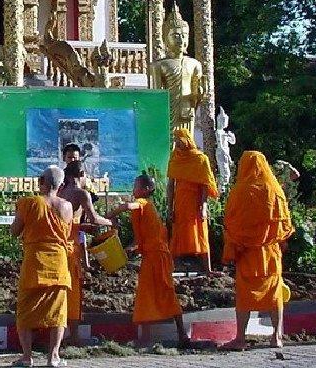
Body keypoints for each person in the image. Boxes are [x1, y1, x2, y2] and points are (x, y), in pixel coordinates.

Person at [221, 151, 294, 351]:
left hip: (247, 253)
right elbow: (285, 222)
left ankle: (240, 338)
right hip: (270, 252)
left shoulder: (240, 191)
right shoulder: (274, 189)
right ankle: (277, 336)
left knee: (244, 296)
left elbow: (230, 221)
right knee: (274, 293)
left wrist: (235, 244)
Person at [106, 174, 189, 349]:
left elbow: (130, 205)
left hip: (156, 257)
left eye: (136, 186)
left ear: (146, 190)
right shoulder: (147, 211)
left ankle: (146, 338)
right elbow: (141, 240)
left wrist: (111, 213)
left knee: (147, 295)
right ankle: (181, 334)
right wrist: (127, 250)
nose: (133, 189)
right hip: (157, 255)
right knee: (164, 294)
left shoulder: (144, 203)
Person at [10, 165, 74, 368]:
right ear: (61, 185)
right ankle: (53, 357)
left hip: (35, 262)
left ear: (40, 182)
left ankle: (27, 357)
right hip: (58, 262)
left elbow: (14, 231)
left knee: (26, 310)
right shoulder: (67, 206)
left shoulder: (29, 203)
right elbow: (67, 233)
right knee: (57, 313)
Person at [58, 160, 112, 344]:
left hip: (58, 247)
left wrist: (86, 228)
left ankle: (58, 336)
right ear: (81, 174)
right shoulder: (81, 193)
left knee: (60, 291)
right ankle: (73, 337)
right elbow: (94, 218)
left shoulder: (60, 193)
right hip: (71, 249)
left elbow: (72, 222)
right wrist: (111, 222)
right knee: (73, 294)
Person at [166, 127, 219, 273]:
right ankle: (171, 268)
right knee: (178, 234)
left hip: (195, 203)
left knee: (201, 234)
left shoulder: (200, 159)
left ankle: (207, 269)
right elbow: (171, 185)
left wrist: (203, 206)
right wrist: (170, 208)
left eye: (180, 140)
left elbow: (204, 184)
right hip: (181, 203)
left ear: (187, 140)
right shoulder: (175, 158)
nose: (178, 144)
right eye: (176, 141)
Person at [148, 7, 203, 140]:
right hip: (168, 108)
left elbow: (197, 93)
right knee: (169, 141)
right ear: (165, 39)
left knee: (186, 140)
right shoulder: (159, 65)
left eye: (184, 36)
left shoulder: (194, 64)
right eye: (175, 35)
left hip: (186, 108)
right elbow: (157, 93)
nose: (180, 39)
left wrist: (199, 93)